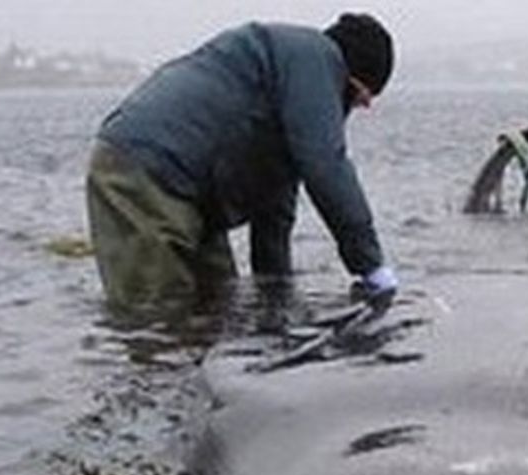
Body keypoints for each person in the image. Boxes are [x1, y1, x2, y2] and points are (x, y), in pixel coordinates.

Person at [85, 13, 398, 314]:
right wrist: (370, 265)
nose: (360, 108)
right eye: (362, 98)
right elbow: (326, 165)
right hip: (143, 173)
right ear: (352, 77)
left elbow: (275, 210)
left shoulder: (287, 82)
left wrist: (276, 296)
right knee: (160, 320)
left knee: (217, 304)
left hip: (193, 198)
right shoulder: (315, 59)